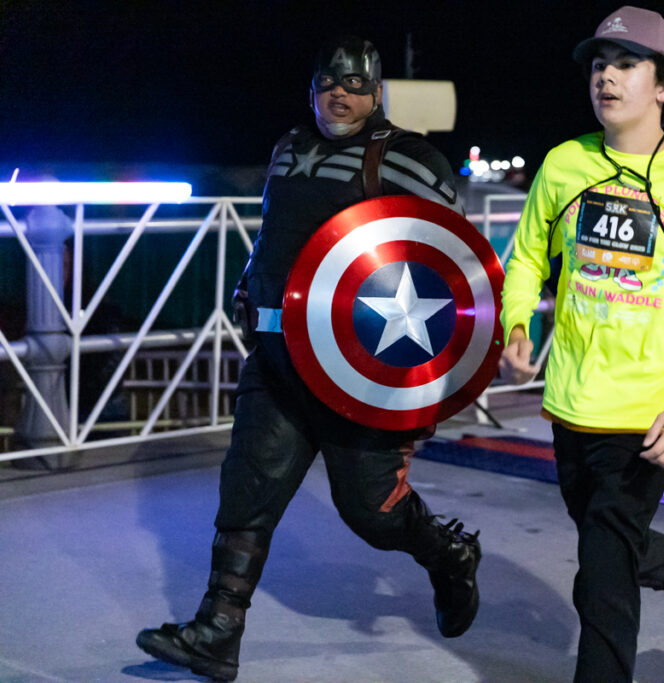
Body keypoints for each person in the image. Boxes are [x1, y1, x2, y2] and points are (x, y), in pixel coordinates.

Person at [135, 36, 481, 681]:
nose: (339, 94)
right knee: (248, 491)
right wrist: (250, 282)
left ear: (376, 92)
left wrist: (428, 381)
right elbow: (276, 230)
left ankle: (449, 555)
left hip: (361, 377)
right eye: (328, 82)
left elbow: (450, 267)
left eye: (354, 84)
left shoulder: (412, 160)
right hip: (277, 361)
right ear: (311, 88)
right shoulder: (289, 148)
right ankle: (217, 632)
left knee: (373, 513)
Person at [499, 6, 664, 681]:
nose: (606, 77)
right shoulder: (564, 164)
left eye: (626, 65)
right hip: (571, 400)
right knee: (611, 545)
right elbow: (526, 256)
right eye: (599, 64)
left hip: (652, 411)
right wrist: (516, 324)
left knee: (601, 579)